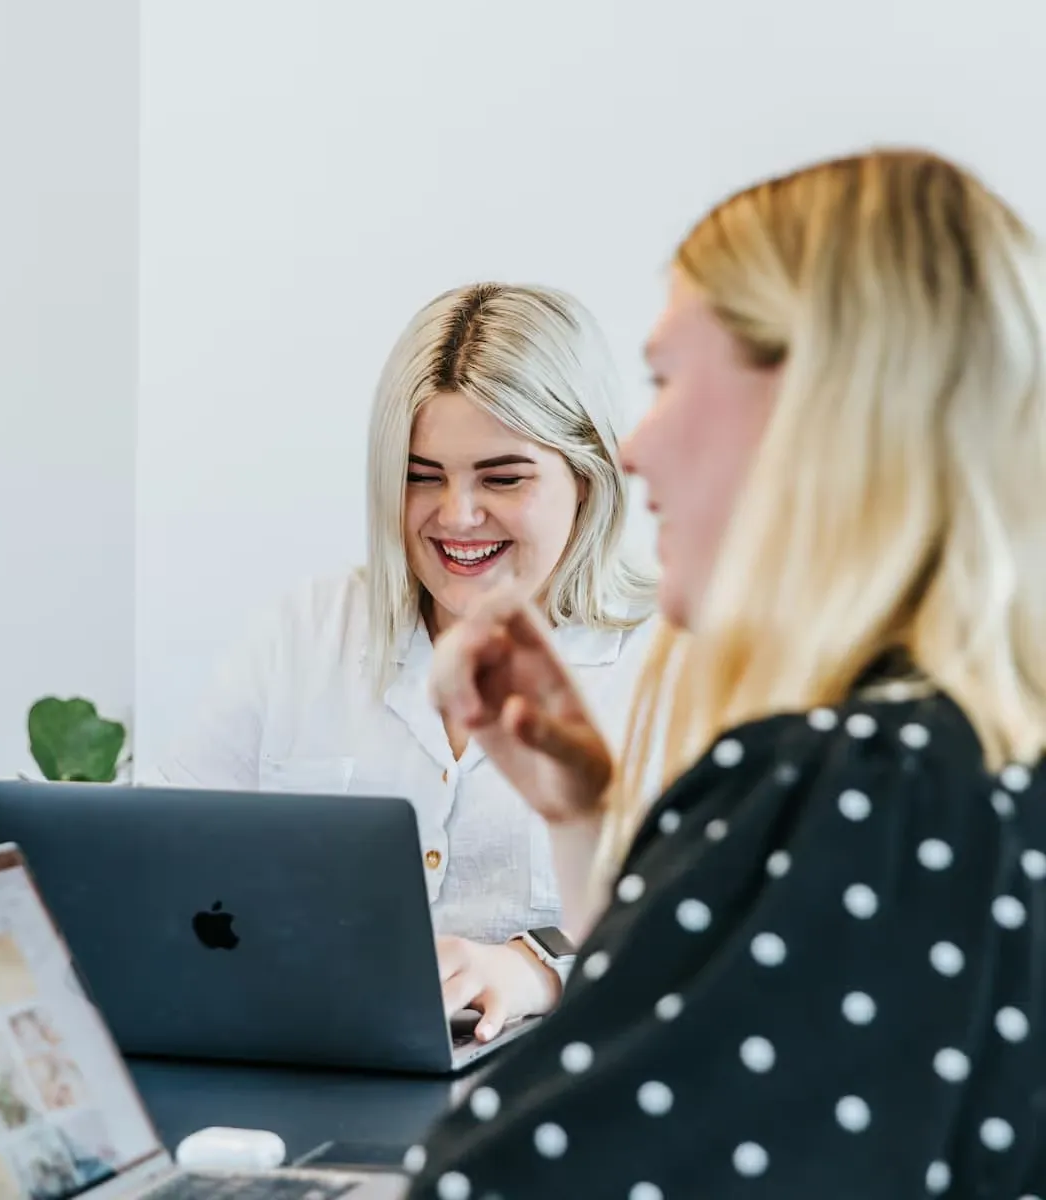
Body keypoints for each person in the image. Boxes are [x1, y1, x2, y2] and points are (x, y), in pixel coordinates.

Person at [409, 149, 1046, 1198]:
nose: (632, 448)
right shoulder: (971, 762)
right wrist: (584, 818)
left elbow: (515, 1183)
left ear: (817, 406)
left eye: (664, 381)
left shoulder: (853, 788)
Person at [144, 283, 658, 1039]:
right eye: (422, 475)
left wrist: (539, 966)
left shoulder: (671, 661)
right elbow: (157, 852)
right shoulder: (307, 633)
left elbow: (709, 928)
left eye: (503, 477)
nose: (455, 515)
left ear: (588, 476)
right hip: (310, 1067)